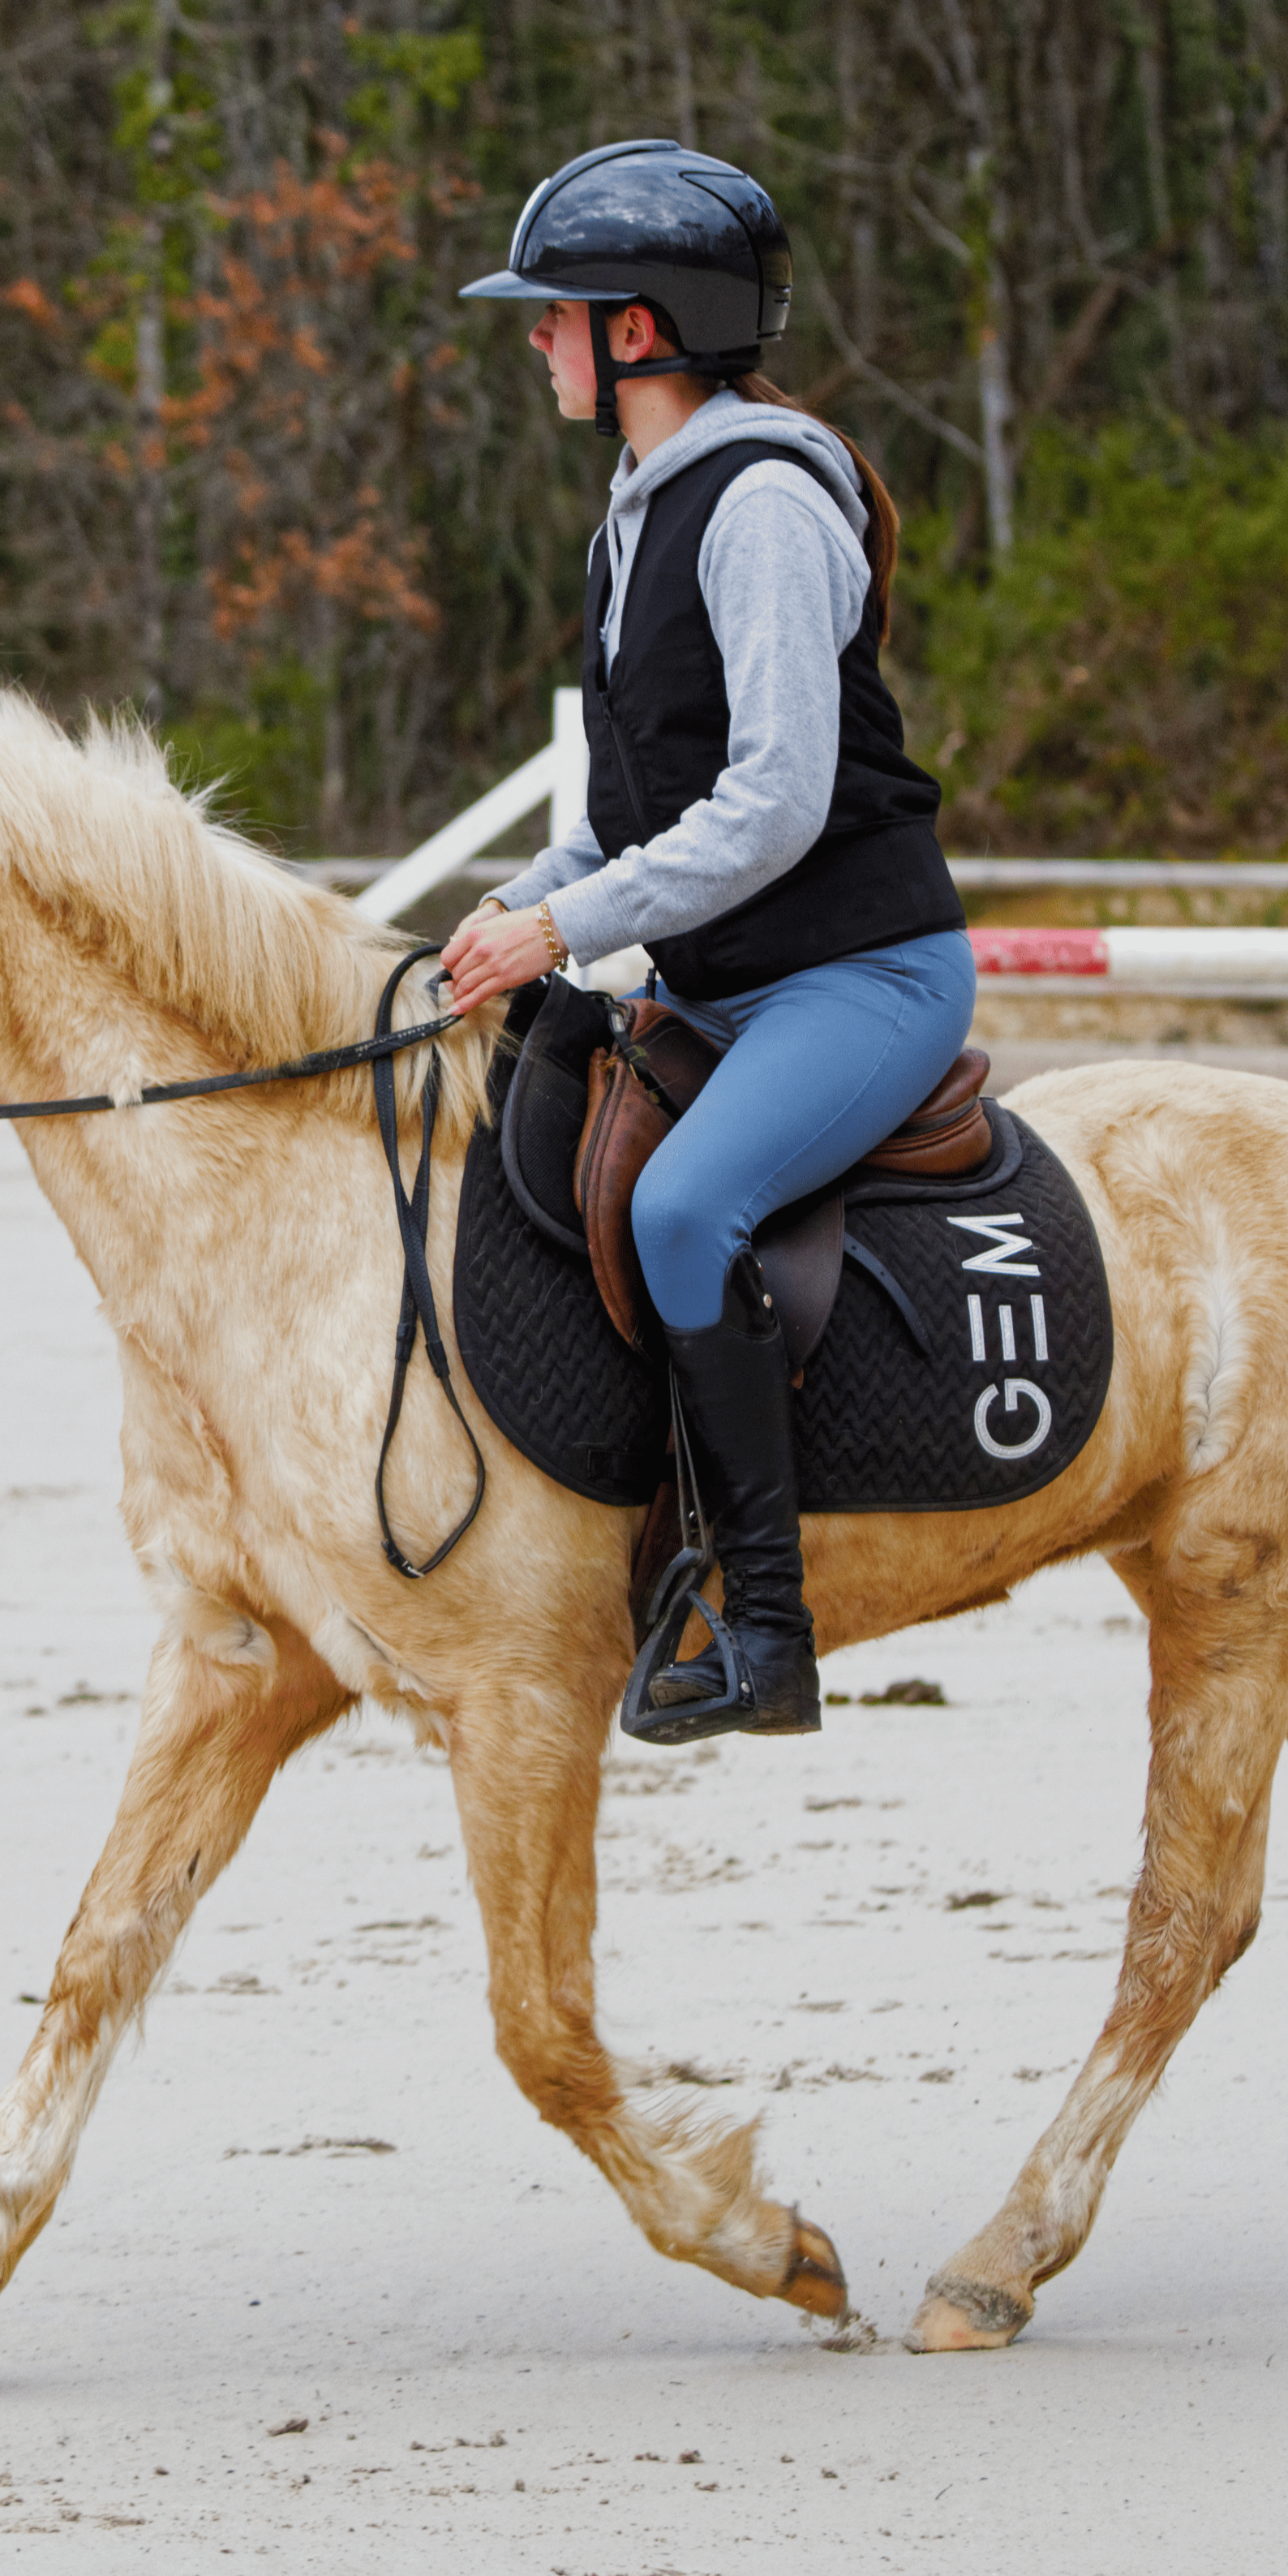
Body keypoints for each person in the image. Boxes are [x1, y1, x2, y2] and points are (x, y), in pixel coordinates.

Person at [440, 139, 977, 1742]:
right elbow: (635, 798)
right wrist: (511, 906)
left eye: (554, 314)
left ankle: (762, 1625)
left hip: (858, 973)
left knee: (681, 1210)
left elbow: (771, 806)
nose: (533, 339)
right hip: (725, 978)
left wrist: (563, 926)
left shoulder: (754, 507)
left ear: (640, 329)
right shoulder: (637, 509)